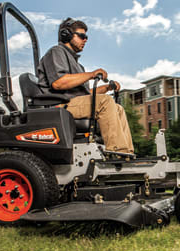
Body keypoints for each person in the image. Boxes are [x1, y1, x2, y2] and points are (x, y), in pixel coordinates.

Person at [37, 18, 134, 155]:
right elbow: (59, 83)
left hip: (74, 103)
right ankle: (117, 151)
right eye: (82, 36)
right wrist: (91, 74)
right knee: (105, 102)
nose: (85, 40)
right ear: (67, 35)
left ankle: (127, 152)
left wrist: (107, 88)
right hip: (59, 105)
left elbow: (84, 94)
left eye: (86, 37)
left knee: (117, 108)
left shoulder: (77, 65)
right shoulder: (56, 52)